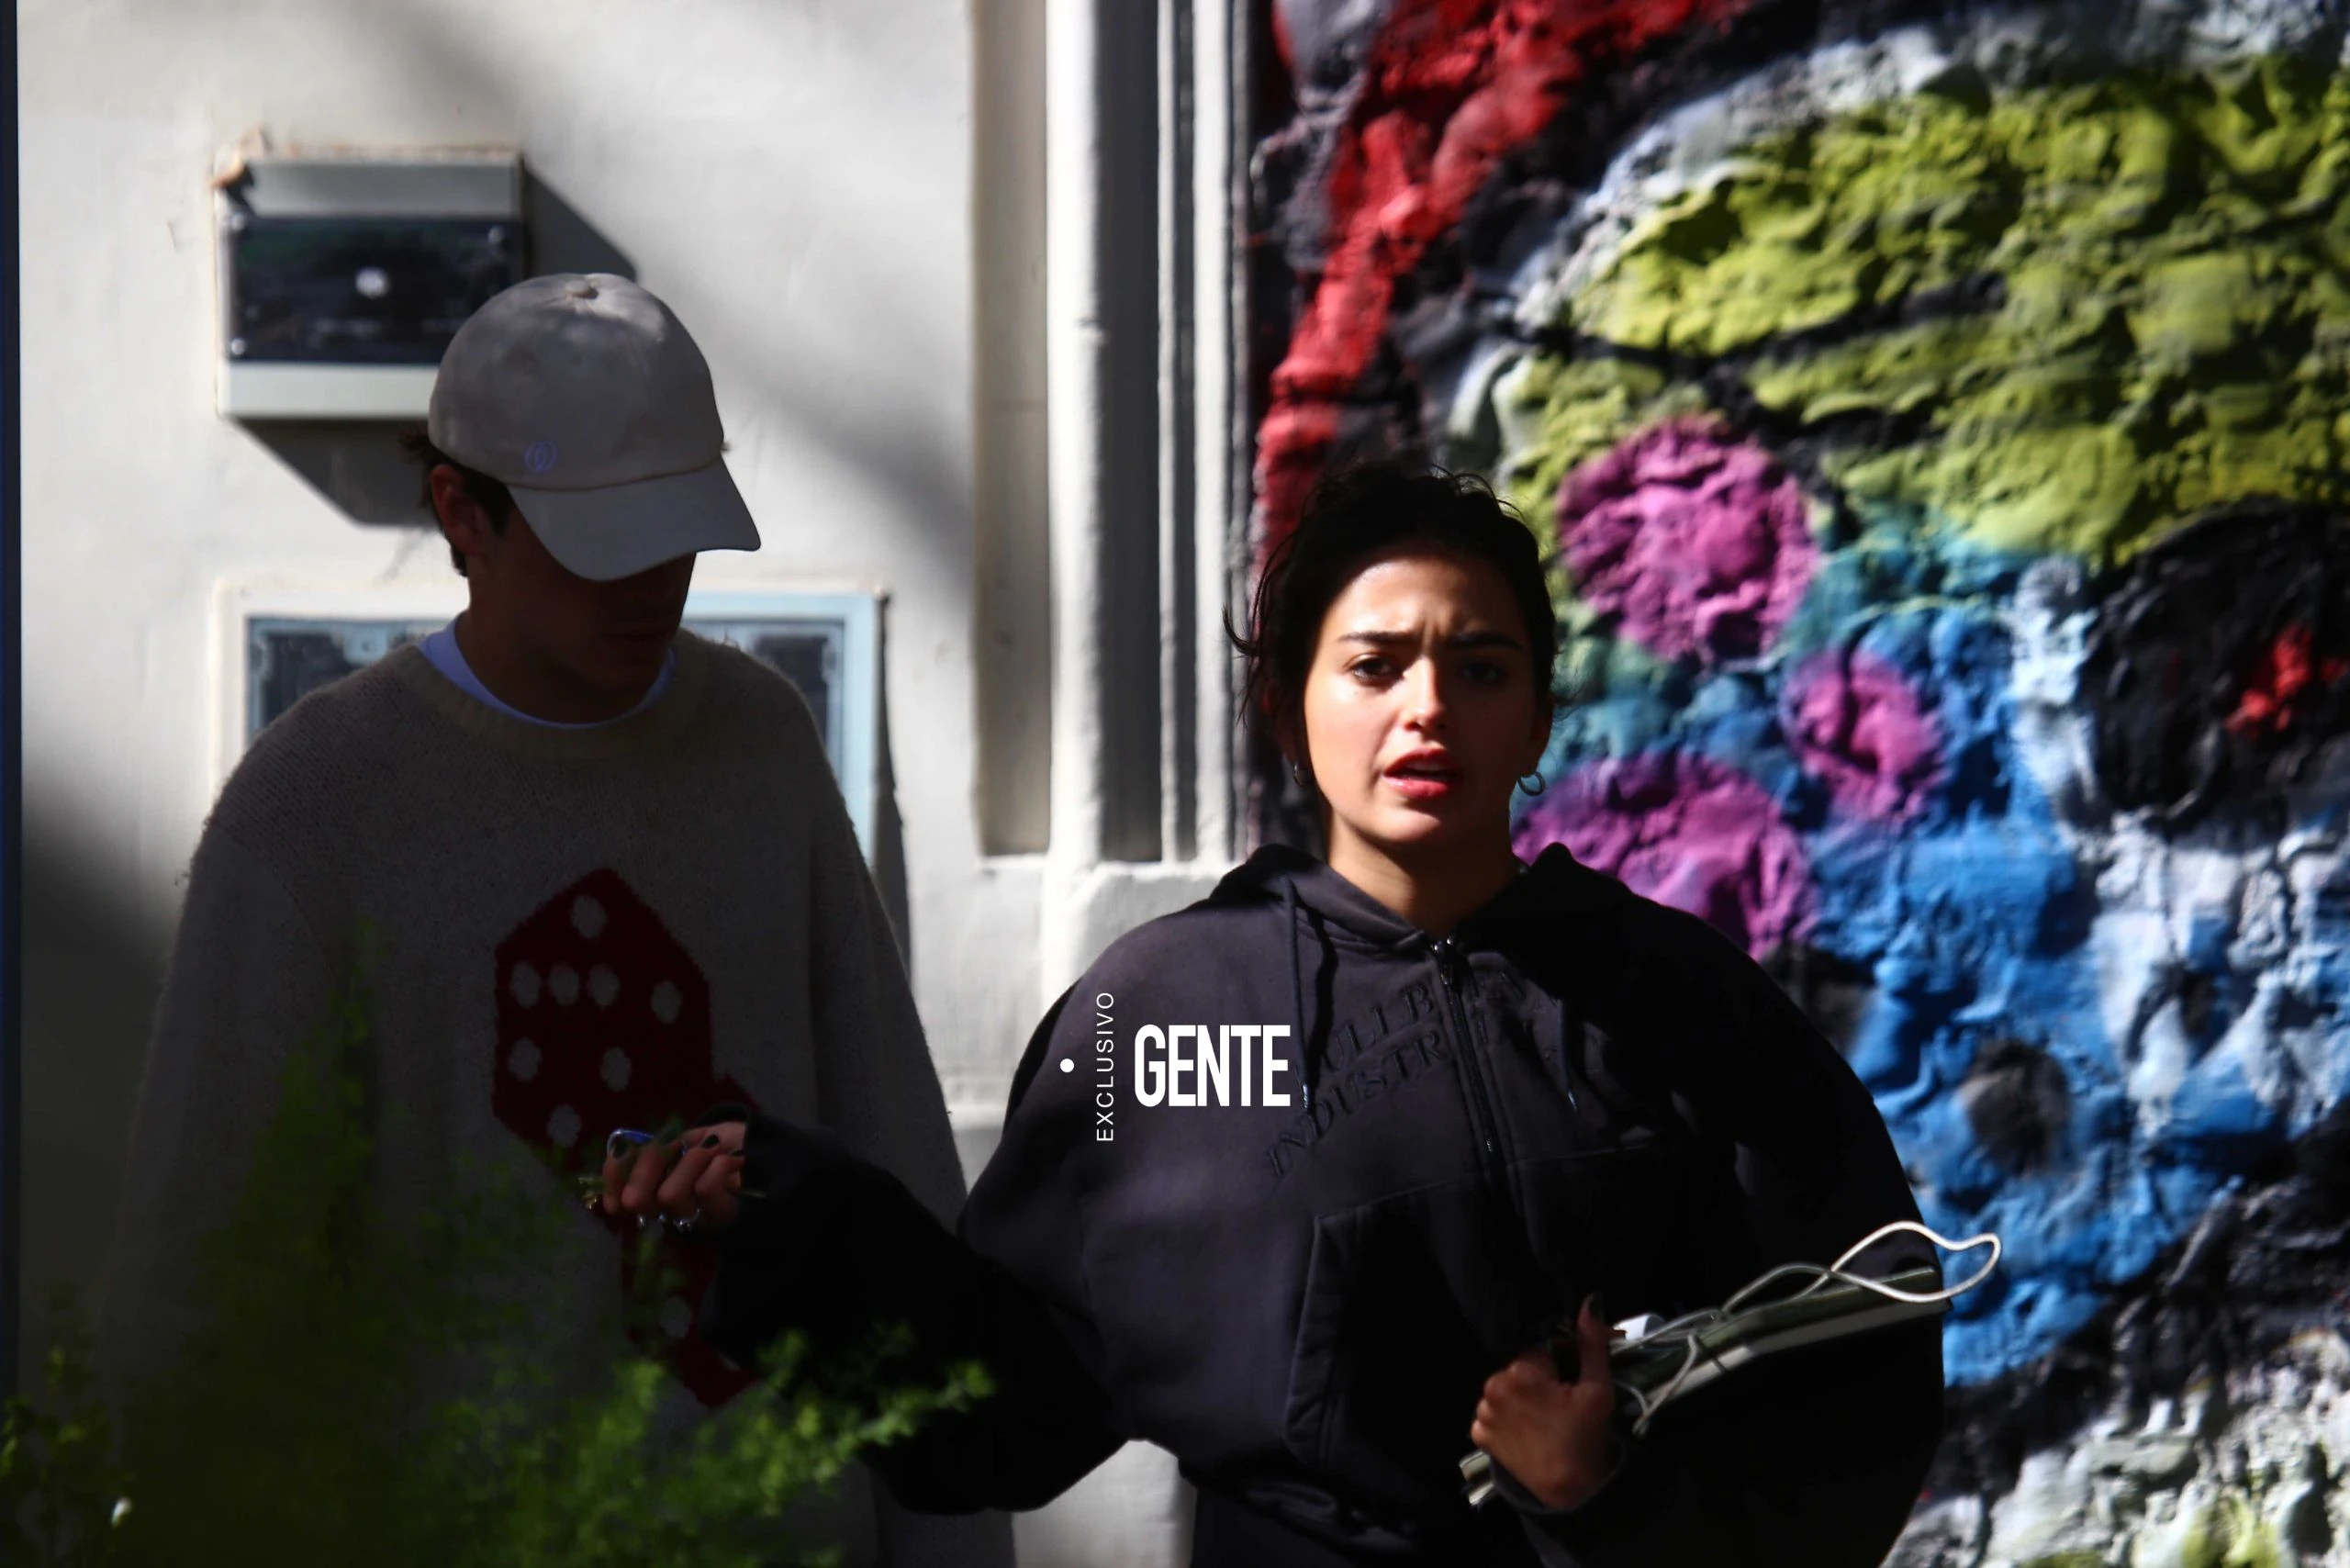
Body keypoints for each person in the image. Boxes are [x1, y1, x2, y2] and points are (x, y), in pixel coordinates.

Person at [611, 461, 1945, 1565]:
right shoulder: (1163, 1021)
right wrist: (790, 1222)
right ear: (1287, 699)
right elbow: (1006, 1398)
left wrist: (1610, 1500)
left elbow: (1859, 1366)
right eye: (1375, 665)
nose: (1428, 708)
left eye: (1480, 668)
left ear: (1539, 714)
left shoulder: (1677, 1003)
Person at [100, 272, 1013, 1568]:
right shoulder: (311, 812)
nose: (650, 584)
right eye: (602, 544)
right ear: (460, 511)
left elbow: (897, 1180)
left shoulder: (759, 748)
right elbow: (195, 1301)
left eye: (676, 535)